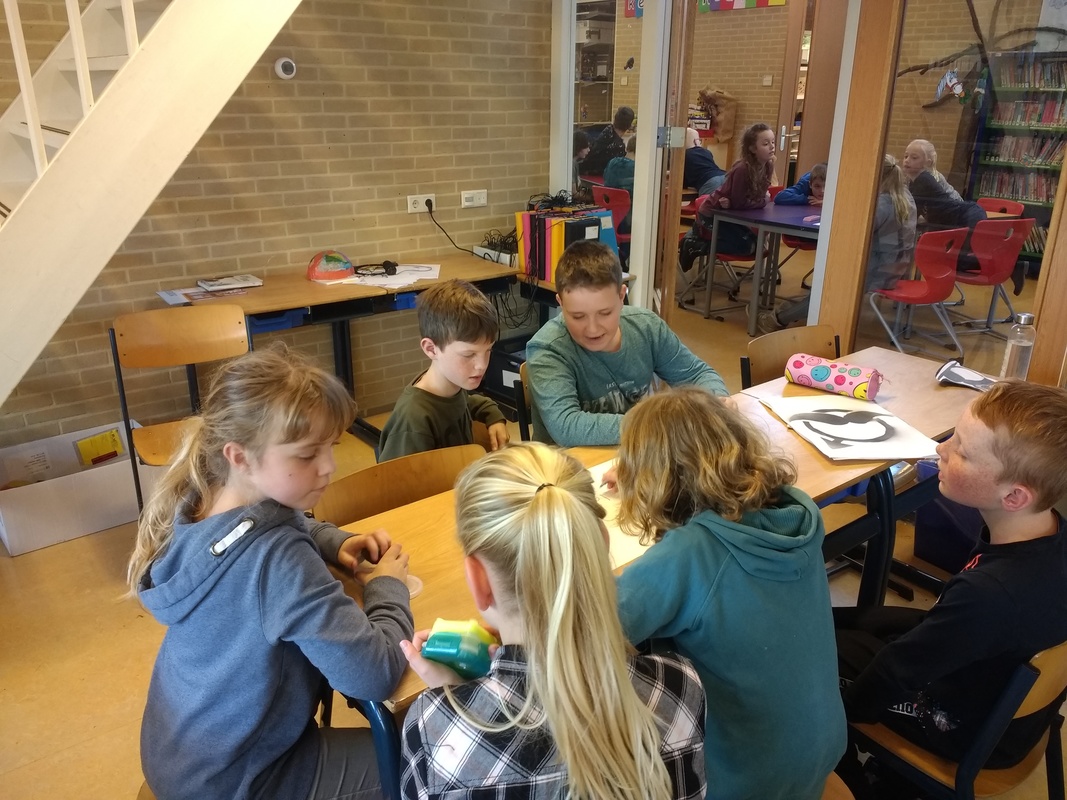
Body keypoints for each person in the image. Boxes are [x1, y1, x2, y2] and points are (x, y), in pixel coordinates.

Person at [129, 342, 415, 800]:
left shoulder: (200, 501)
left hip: (179, 757)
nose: (329, 467)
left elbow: (272, 520)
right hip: (242, 780)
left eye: (331, 446)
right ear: (240, 456)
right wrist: (387, 586)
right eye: (306, 455)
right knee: (427, 758)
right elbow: (373, 673)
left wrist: (332, 541)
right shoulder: (280, 559)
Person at [398, 442, 707, 800]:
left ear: (479, 581)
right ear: (600, 544)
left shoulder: (433, 734)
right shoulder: (681, 691)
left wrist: (457, 701)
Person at [834, 380, 1067, 796]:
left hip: (965, 729)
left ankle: (851, 778)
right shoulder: (1046, 536)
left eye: (961, 450)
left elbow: (895, 671)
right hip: (1009, 707)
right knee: (839, 621)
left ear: (1014, 496)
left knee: (803, 658)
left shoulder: (990, 594)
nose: (941, 449)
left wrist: (842, 715)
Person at [612, 387, 846, 799]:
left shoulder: (691, 553)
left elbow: (595, 622)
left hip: (744, 780)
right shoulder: (793, 516)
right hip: (821, 751)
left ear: (653, 480)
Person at [525, 239, 728, 446]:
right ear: (560, 303)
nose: (593, 329)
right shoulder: (547, 349)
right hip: (568, 462)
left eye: (605, 313)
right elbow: (566, 426)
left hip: (639, 450)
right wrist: (658, 425)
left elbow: (696, 374)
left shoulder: (647, 327)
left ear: (622, 296)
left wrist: (718, 401)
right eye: (578, 316)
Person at [759, 154, 916, 332]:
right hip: (895, 267)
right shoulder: (904, 196)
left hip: (876, 271)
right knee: (828, 278)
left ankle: (778, 319)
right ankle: (793, 310)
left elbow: (852, 234)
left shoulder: (881, 204)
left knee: (827, 288)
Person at [377, 280, 509, 462]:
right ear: (431, 349)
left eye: (488, 351)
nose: (482, 365)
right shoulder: (413, 421)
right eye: (469, 354)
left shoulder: (452, 387)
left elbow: (467, 403)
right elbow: (397, 478)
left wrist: (493, 417)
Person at [693, 122, 777, 256]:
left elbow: (756, 196)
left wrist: (755, 200)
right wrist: (764, 201)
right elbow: (742, 202)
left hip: (732, 214)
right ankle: (695, 245)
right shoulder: (742, 169)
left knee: (758, 245)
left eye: (773, 142)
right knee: (746, 247)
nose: (772, 147)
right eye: (766, 144)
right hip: (712, 214)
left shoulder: (768, 165)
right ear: (752, 148)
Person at [902, 138, 963, 202]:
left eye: (914, 158)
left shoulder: (930, 180)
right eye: (906, 156)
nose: (907, 160)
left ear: (928, 162)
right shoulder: (908, 178)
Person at [580, 105, 634, 176]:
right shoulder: (618, 147)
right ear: (629, 125)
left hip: (584, 170)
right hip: (596, 176)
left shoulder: (607, 130)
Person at [603, 133, 636, 232]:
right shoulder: (636, 169)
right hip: (627, 220)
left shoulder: (612, 162)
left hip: (610, 215)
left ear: (627, 148)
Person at [682, 126, 727, 198]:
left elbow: (683, 179)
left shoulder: (684, 155)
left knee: (708, 205)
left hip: (709, 182)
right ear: (696, 141)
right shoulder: (706, 152)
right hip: (724, 176)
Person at [571, 129, 591, 200]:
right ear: (579, 147)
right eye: (586, 147)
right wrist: (592, 199)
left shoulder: (575, 163)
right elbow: (574, 194)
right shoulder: (572, 164)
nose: (589, 150)